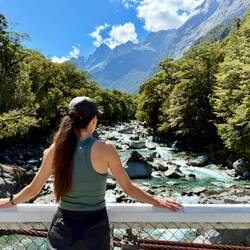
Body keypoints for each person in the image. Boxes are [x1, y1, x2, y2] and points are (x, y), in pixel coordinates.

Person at [0, 96, 182, 250]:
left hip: (63, 230)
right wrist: (157, 201)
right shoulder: (106, 149)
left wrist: (10, 202)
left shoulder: (55, 149)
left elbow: (33, 189)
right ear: (93, 120)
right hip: (95, 231)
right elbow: (128, 188)